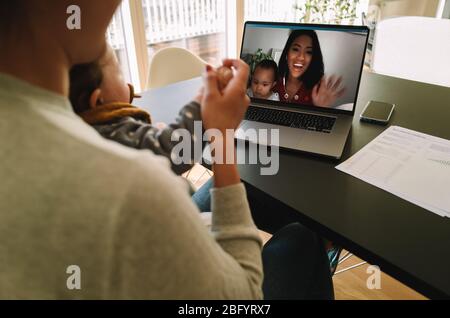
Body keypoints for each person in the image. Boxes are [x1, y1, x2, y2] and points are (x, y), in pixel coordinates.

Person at [0, 0, 333, 299]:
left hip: (167, 232)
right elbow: (242, 295)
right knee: (303, 237)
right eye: (116, 67)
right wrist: (221, 138)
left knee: (244, 189)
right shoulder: (132, 182)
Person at [69, 44, 204, 176]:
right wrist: (201, 103)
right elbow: (177, 152)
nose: (128, 83)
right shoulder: (114, 132)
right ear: (99, 100)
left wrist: (152, 135)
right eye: (121, 75)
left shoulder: (80, 128)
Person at [274, 29, 345, 108]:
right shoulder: (272, 80)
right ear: (287, 52)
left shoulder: (318, 90)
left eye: (308, 52)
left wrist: (321, 108)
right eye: (296, 49)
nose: (301, 57)